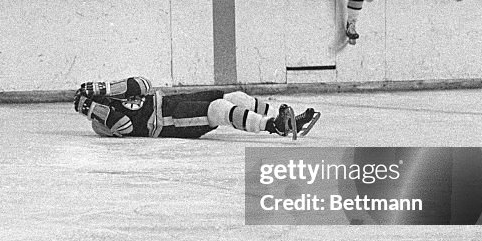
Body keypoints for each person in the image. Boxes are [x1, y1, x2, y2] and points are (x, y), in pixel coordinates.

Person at [73, 77, 319, 139]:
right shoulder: (99, 123)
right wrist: (91, 107)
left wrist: (103, 88)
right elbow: (123, 125)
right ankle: (272, 126)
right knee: (217, 109)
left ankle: (282, 115)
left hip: (168, 101)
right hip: (165, 122)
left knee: (233, 95)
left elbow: (143, 84)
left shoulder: (114, 95)